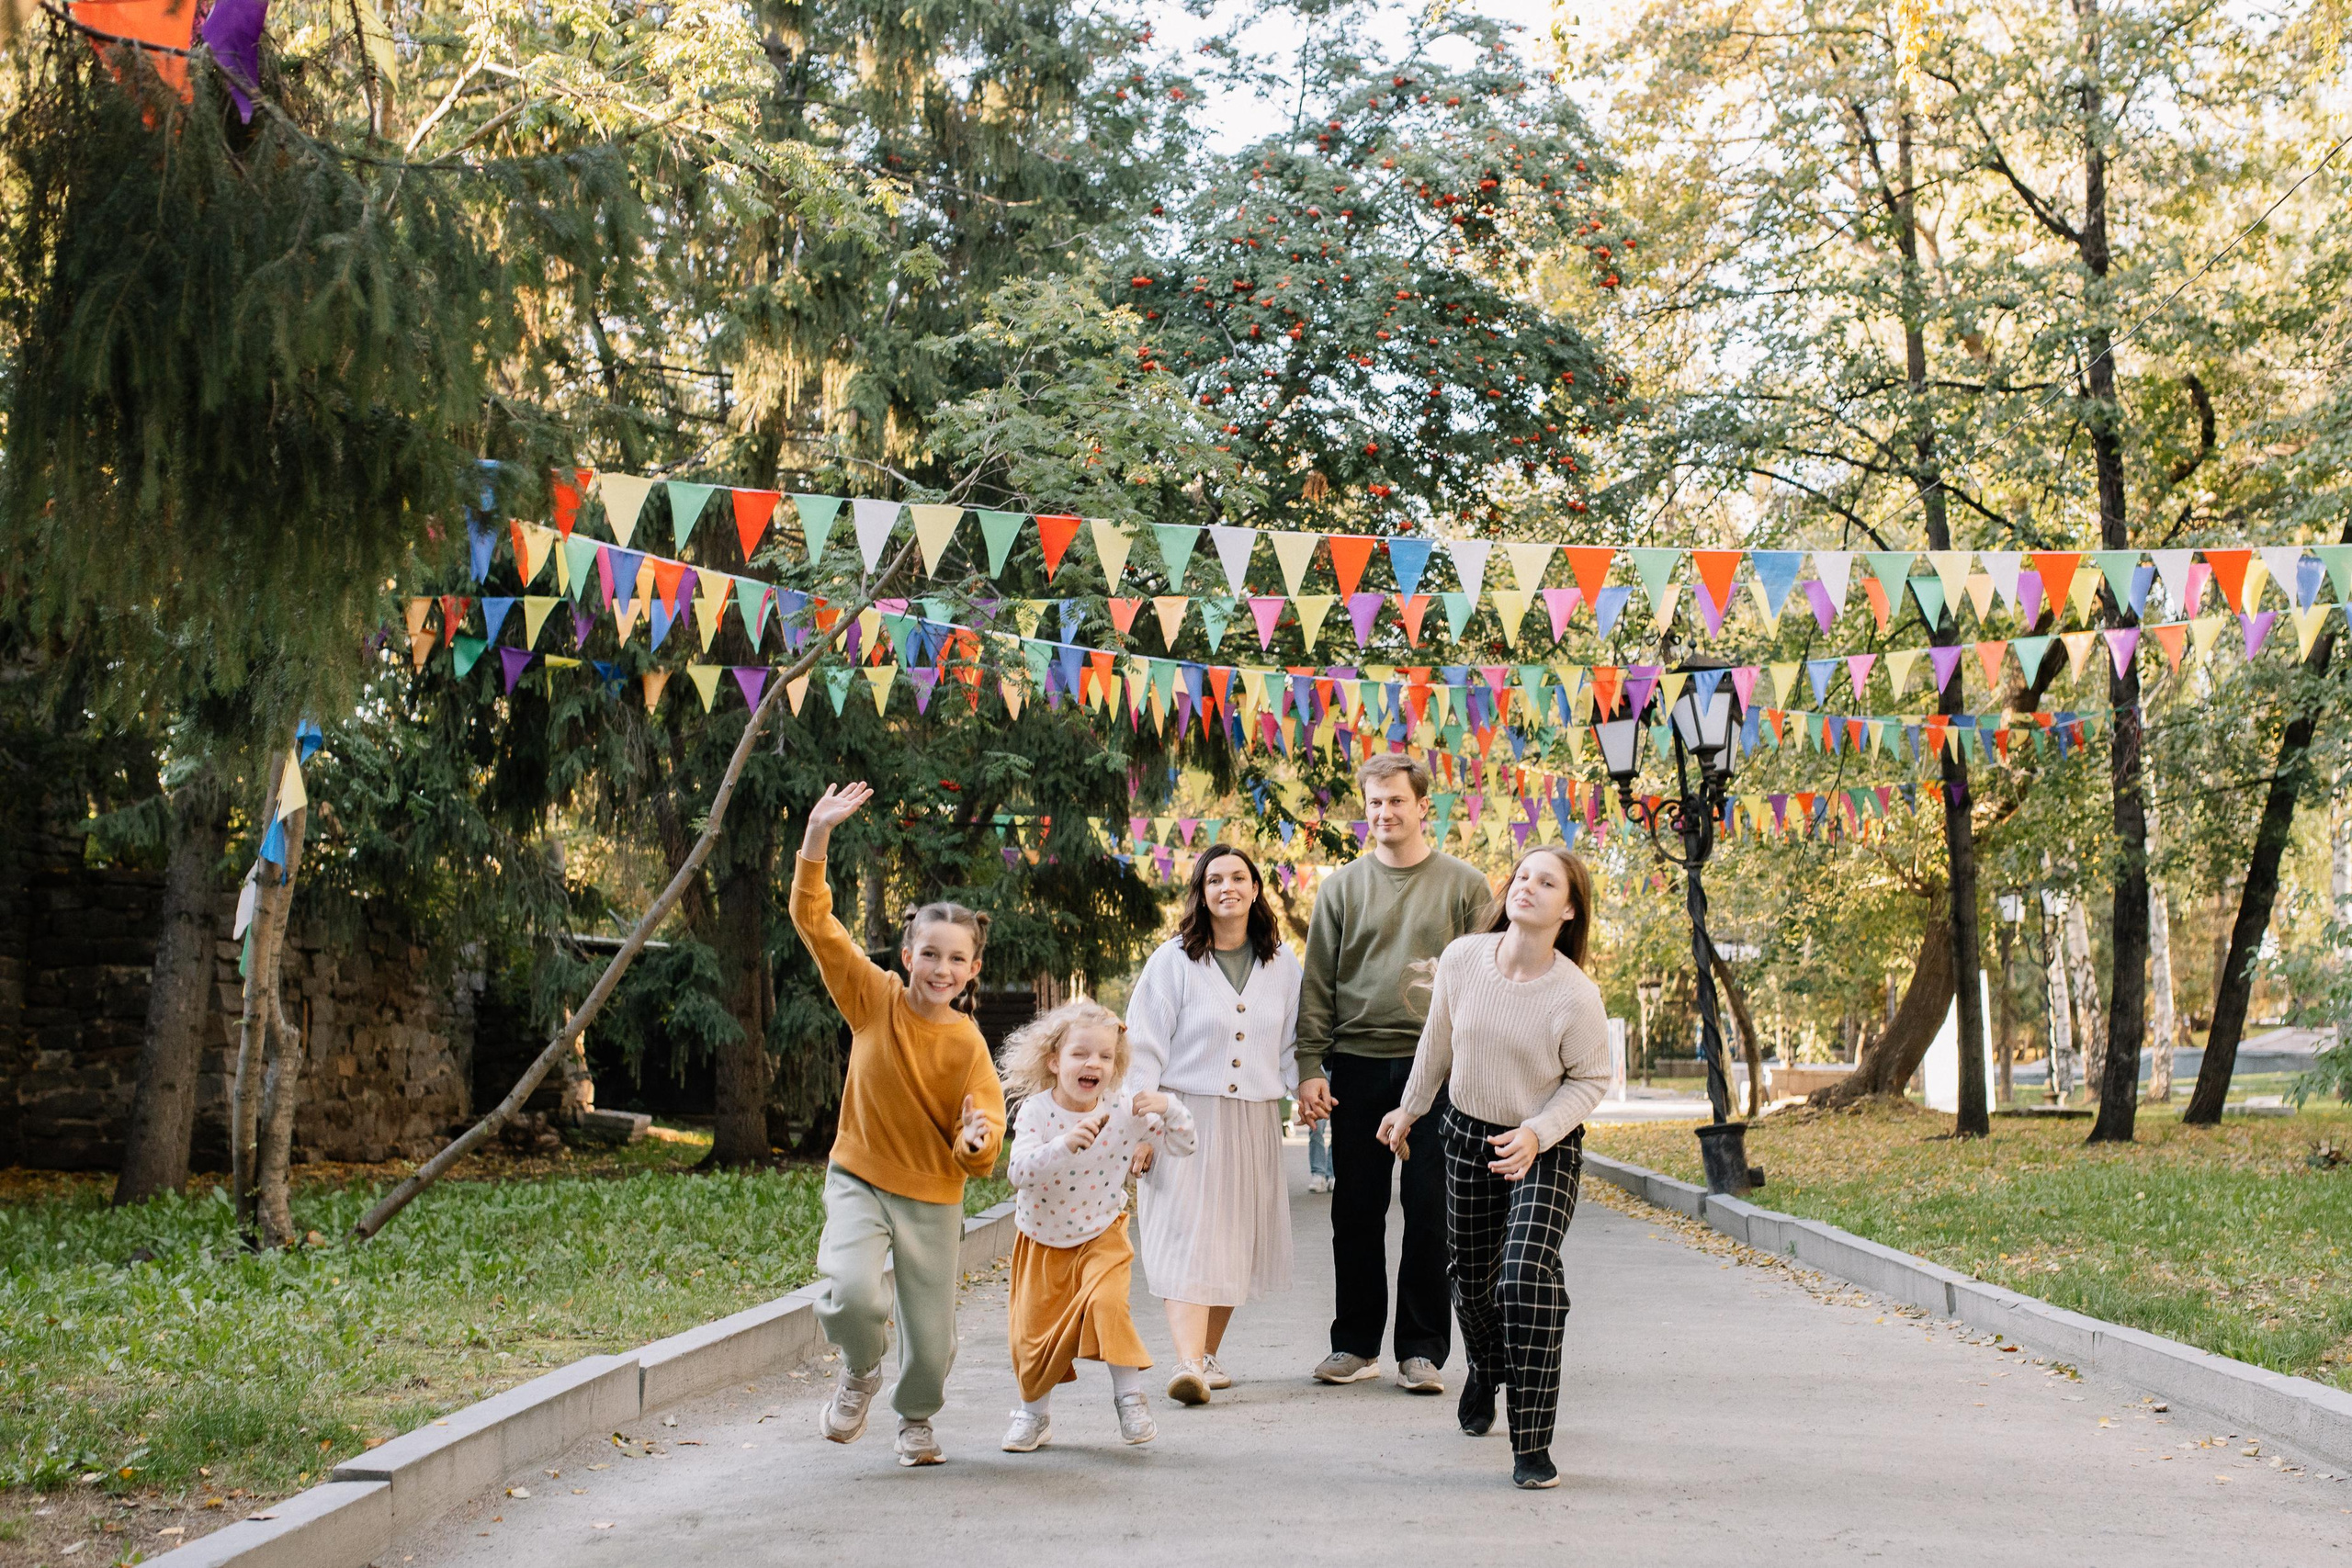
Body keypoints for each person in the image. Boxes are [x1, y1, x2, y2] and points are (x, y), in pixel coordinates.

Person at [1376, 846, 1611, 1491]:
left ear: (1568, 908)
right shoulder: (1462, 959)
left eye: (1547, 881)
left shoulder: (1575, 994)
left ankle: (1532, 1444)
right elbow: (1437, 1041)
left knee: (1524, 1276)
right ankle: (1486, 1363)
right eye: (1523, 875)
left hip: (1545, 1146)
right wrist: (1408, 1110)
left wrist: (1537, 1134)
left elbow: (1591, 1079)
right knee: (1473, 1282)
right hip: (1467, 1134)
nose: (1527, 886)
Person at [791, 781, 1006, 1468]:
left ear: (973, 968)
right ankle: (861, 1368)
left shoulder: (968, 1041)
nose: (941, 967)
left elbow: (985, 1116)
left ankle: (916, 1418)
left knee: (934, 1338)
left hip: (933, 1192)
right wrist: (817, 837)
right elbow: (815, 920)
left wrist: (976, 1141)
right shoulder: (872, 995)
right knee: (850, 1291)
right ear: (907, 953)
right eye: (929, 952)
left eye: (956, 957)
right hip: (860, 1173)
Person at [1294, 753, 1492, 1394]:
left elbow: (1489, 982)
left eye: (1395, 801)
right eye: (1373, 803)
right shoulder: (1341, 887)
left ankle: (1422, 1350)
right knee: (1355, 1209)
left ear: (1420, 806)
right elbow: (1318, 982)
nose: (1383, 813)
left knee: (1433, 1210)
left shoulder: (1463, 885)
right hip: (1355, 1062)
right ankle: (1353, 1343)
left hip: (1441, 1071)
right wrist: (1309, 1065)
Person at [1125, 843, 1304, 1405]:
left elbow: (1293, 1043)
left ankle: (1205, 1357)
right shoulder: (1173, 960)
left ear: (1255, 890)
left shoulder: (1282, 964)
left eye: (1239, 878)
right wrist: (1142, 1130)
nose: (1227, 887)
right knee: (1186, 1238)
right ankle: (1186, 1364)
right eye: (1214, 879)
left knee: (1234, 1241)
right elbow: (1142, 1048)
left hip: (1253, 1120)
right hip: (1181, 1118)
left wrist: (1308, 1093)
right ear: (1201, 894)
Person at [999, 999, 1195, 1452]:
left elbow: (1185, 1146)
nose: (1094, 1064)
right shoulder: (1036, 1113)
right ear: (1054, 1061)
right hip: (1041, 1239)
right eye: (1080, 1054)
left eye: (1106, 1057)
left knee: (1109, 1306)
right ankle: (1033, 1416)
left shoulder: (1124, 1111)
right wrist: (1064, 1145)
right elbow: (1019, 1172)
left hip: (1102, 1233)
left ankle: (1130, 1399)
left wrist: (1170, 1107)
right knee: (1032, 1338)